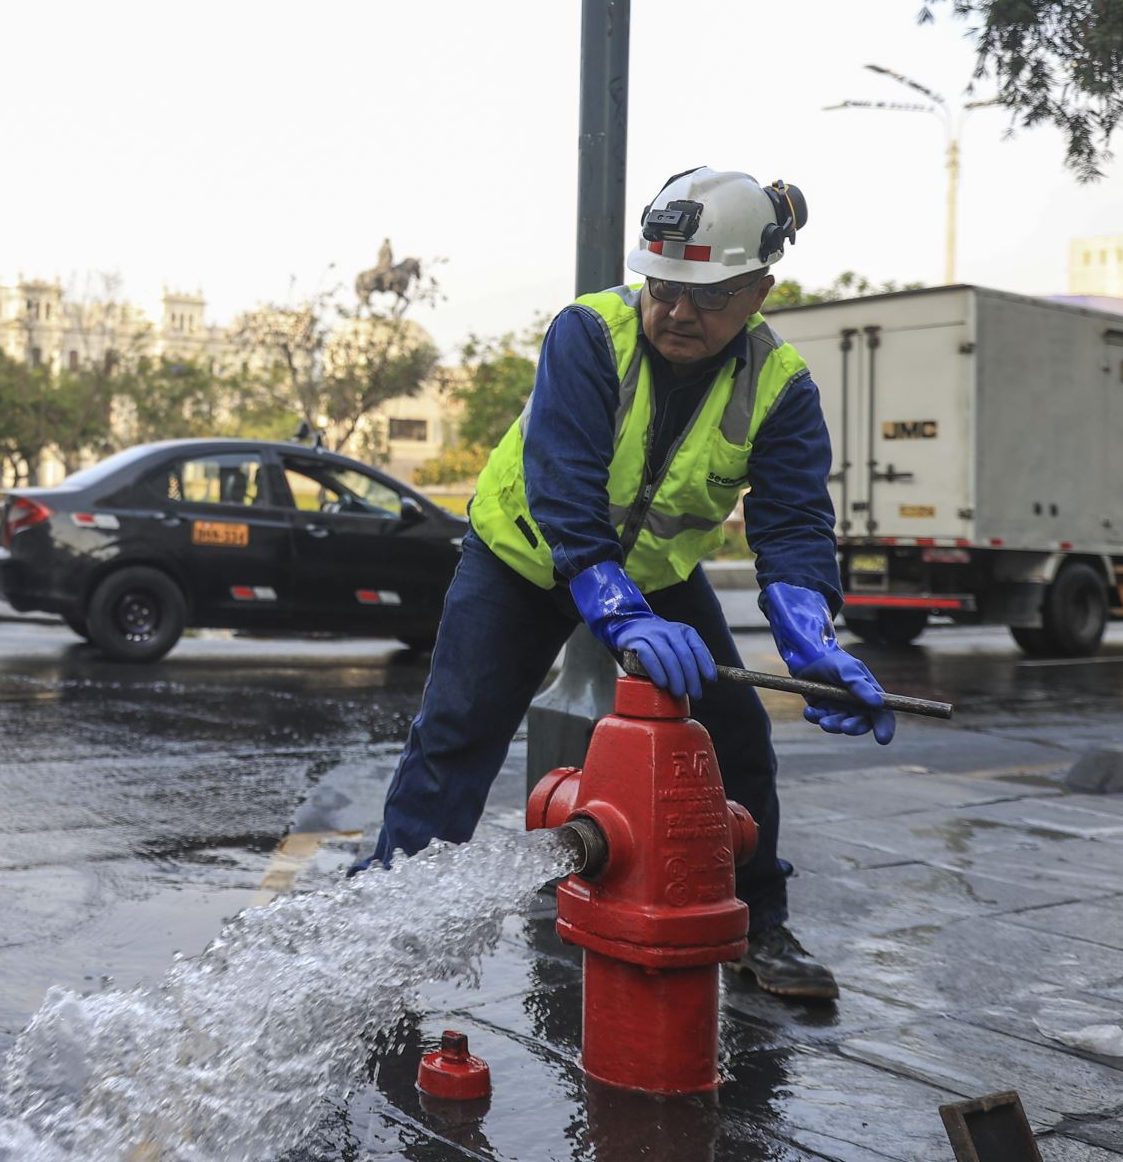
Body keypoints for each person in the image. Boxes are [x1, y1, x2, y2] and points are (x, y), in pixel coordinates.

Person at [354, 167, 895, 1001]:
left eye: (707, 296)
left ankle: (760, 926)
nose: (677, 311)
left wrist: (811, 642)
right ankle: (384, 922)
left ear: (758, 292)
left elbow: (791, 526)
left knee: (739, 742)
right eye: (663, 286)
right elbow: (567, 492)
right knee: (457, 733)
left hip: (653, 580)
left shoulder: (781, 387)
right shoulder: (588, 333)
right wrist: (619, 615)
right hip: (524, 560)